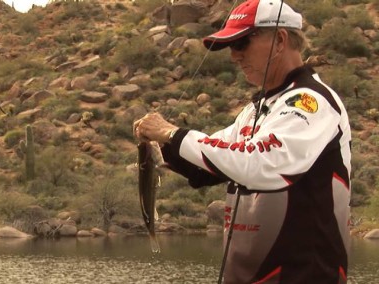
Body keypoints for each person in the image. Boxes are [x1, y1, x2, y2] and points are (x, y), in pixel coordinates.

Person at [133, 0, 351, 283]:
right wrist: (158, 146)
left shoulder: (312, 102)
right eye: (230, 47)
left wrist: (172, 133)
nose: (234, 56)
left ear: (280, 40)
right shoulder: (255, 110)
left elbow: (260, 162)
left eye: (241, 43)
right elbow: (210, 164)